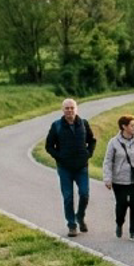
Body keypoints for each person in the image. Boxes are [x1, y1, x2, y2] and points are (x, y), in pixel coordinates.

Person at [45, 98, 96, 237]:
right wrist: (59, 157)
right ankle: (72, 225)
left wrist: (88, 154)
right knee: (68, 197)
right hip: (65, 168)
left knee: (84, 194)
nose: (69, 110)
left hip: (81, 167)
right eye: (67, 108)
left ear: (76, 109)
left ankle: (80, 216)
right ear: (63, 110)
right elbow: (49, 146)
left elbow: (92, 141)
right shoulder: (57, 126)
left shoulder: (84, 124)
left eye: (72, 108)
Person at [101, 114, 134, 241]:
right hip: (120, 179)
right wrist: (107, 178)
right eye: (132, 125)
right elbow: (108, 161)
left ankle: (133, 231)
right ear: (124, 127)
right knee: (122, 204)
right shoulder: (114, 142)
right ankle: (119, 223)